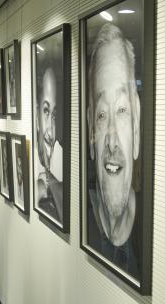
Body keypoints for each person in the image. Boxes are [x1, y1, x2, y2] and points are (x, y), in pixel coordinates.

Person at [86, 23, 141, 276]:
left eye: (121, 110)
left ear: (137, 127)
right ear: (90, 134)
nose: (111, 140)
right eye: (101, 114)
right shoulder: (82, 218)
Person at [35, 67, 63, 222]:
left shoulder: (59, 153)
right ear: (36, 113)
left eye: (54, 114)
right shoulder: (30, 154)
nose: (51, 130)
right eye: (46, 111)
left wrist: (49, 183)